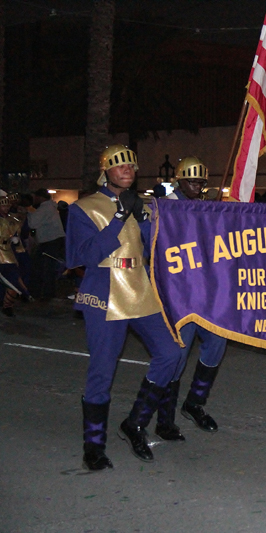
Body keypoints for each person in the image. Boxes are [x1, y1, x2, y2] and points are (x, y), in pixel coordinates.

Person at [66, 144, 182, 470]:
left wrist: (156, 217)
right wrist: (119, 217)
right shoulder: (84, 208)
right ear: (106, 171)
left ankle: (135, 423)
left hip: (140, 287)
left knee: (171, 354)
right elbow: (83, 256)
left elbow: (156, 244)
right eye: (120, 166)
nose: (127, 170)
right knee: (102, 371)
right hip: (104, 291)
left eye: (131, 165)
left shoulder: (141, 204)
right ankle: (94, 446)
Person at [156, 157, 229, 441]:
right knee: (177, 355)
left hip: (208, 291)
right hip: (179, 294)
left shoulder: (208, 206)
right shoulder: (165, 207)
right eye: (191, 181)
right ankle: (165, 419)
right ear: (178, 181)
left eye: (200, 182)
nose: (196, 187)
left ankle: (195, 403)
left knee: (216, 345)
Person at [27, 188, 66, 300]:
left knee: (44, 267)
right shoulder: (50, 207)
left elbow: (32, 223)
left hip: (50, 241)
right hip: (53, 240)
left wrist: (29, 211)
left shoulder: (45, 208)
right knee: (47, 267)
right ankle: (46, 293)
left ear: (40, 197)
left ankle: (43, 293)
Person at [0, 190, 30, 316]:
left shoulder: (14, 220)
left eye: (7, 205)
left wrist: (17, 243)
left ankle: (7, 306)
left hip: (9, 255)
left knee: (13, 280)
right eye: (3, 205)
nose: (6, 208)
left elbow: (19, 238)